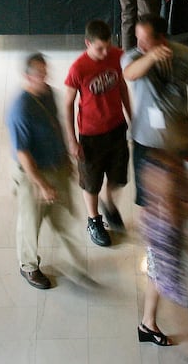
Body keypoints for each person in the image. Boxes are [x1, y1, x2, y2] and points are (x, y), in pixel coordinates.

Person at [8, 52, 84, 289]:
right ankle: (28, 266)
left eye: (45, 71)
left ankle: (74, 261)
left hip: (56, 165)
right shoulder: (19, 109)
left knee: (62, 214)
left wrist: (66, 158)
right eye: (39, 74)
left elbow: (55, 124)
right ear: (27, 76)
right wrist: (42, 184)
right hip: (33, 174)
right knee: (30, 222)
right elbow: (23, 153)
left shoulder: (48, 93)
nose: (45, 77)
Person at [122, 14, 188, 211]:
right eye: (138, 38)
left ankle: (176, 230)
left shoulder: (185, 55)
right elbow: (130, 73)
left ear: (162, 38)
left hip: (181, 139)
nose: (140, 44)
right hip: (146, 141)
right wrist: (151, 56)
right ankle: (156, 238)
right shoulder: (134, 56)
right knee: (149, 198)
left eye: (145, 40)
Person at [61, 20, 131, 247]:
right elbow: (68, 104)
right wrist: (72, 140)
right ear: (87, 43)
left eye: (107, 47)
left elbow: (122, 86)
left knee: (118, 177)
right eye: (99, 48)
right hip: (90, 135)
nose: (104, 53)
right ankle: (93, 220)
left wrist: (132, 115)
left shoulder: (116, 55)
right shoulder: (78, 68)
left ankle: (108, 202)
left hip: (117, 127)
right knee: (91, 182)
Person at [136, 148, 188, 361]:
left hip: (155, 240)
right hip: (166, 246)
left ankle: (147, 324)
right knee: (182, 304)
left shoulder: (153, 168)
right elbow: (179, 219)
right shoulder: (169, 207)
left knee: (155, 275)